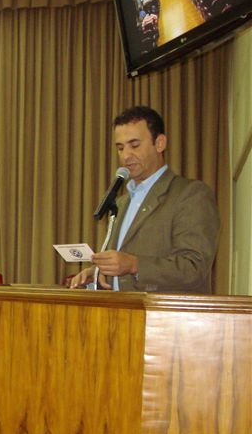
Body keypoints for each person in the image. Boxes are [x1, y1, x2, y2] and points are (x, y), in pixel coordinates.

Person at [70, 106, 220, 293]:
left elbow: (194, 267)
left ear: (159, 143)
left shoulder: (191, 194)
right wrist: (99, 272)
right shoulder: (121, 203)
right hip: (124, 315)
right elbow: (122, 269)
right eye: (120, 148)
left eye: (134, 145)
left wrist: (134, 264)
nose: (125, 156)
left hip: (168, 317)